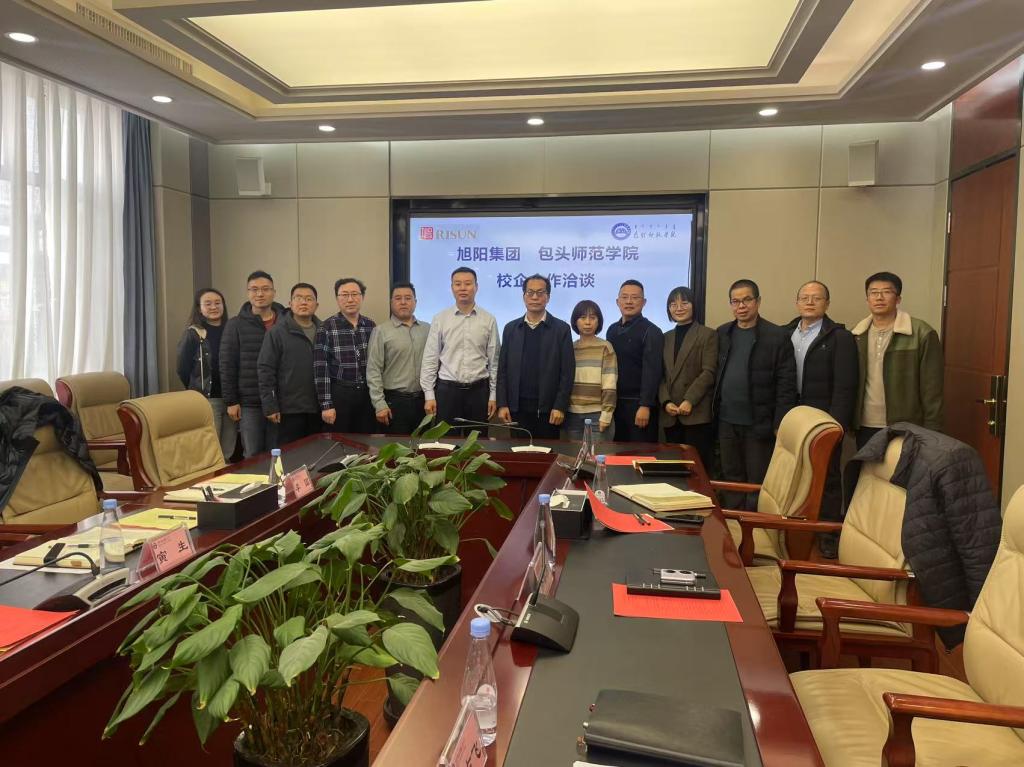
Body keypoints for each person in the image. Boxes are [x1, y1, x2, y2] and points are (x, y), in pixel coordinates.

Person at [784, 280, 858, 558]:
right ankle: (792, 527)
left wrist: (837, 424)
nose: (810, 302)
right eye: (804, 297)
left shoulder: (840, 337)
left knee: (826, 475)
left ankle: (827, 533)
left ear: (827, 303)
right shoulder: (784, 333)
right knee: (792, 472)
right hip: (793, 414)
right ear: (797, 302)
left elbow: (845, 386)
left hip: (824, 417)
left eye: (817, 298)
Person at [714, 279, 797, 510]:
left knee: (756, 479)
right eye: (735, 301)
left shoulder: (776, 335)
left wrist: (780, 422)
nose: (741, 306)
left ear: (758, 301)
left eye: (747, 300)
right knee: (731, 476)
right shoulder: (723, 333)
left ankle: (752, 524)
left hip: (759, 422)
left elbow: (786, 383)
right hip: (726, 420)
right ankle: (733, 521)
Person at [851, 271, 944, 448]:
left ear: (898, 299)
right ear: (867, 299)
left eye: (886, 292)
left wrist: (933, 428)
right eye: (873, 292)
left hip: (907, 424)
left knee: (901, 467)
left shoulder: (921, 333)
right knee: (867, 467)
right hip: (865, 423)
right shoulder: (856, 334)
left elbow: (932, 387)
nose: (879, 297)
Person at [420, 267, 500, 435]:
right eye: (458, 284)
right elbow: (430, 358)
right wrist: (429, 394)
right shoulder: (440, 319)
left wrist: (493, 395)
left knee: (477, 442)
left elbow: (494, 362)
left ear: (476, 287)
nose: (463, 288)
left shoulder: (489, 319)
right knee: (447, 443)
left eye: (468, 284)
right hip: (447, 392)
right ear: (452, 288)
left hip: (479, 392)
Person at [496, 275, 575, 441]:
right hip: (516, 409)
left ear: (548, 297)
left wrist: (560, 406)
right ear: (524, 296)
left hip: (549, 411)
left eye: (540, 293)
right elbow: (502, 370)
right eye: (530, 292)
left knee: (548, 453)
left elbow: (567, 373)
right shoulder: (511, 329)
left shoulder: (561, 329)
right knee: (518, 452)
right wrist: (502, 404)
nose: (534, 297)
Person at [220, 270, 285, 457]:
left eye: (265, 289)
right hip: (250, 403)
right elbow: (227, 364)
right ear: (248, 293)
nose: (260, 294)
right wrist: (231, 401)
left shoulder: (285, 322)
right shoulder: (235, 324)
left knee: (279, 454)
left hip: (281, 401)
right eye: (254, 289)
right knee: (253, 455)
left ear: (274, 292)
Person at [658, 286, 717, 468]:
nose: (679, 308)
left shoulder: (708, 334)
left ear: (694, 305)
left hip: (696, 413)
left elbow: (709, 372)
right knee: (672, 468)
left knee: (696, 468)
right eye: (673, 304)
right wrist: (666, 402)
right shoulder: (665, 337)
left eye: (684, 303)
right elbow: (660, 374)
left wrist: (689, 400)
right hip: (670, 414)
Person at [257, 283, 323, 446]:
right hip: (288, 409)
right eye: (298, 298)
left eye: (309, 299)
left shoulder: (324, 331)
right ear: (290, 303)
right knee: (290, 455)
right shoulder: (277, 332)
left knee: (316, 453)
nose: (304, 302)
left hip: (318, 408)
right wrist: (270, 405)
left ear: (316, 305)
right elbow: (265, 370)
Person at [175, 287, 236, 461]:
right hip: (208, 399)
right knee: (210, 450)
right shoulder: (194, 334)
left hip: (232, 399)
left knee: (228, 449)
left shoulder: (232, 329)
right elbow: (182, 368)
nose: (213, 307)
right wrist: (197, 388)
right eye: (208, 304)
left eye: (218, 303)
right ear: (199, 308)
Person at [366, 282, 430, 435]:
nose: (403, 302)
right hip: (394, 402)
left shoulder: (428, 329)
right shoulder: (381, 331)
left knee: (423, 446)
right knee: (397, 447)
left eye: (408, 298)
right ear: (391, 302)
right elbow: (373, 370)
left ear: (415, 302)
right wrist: (379, 404)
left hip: (423, 401)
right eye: (398, 298)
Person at [314, 278, 377, 434]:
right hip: (340, 393)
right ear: (337, 298)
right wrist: (326, 405)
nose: (350, 299)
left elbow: (378, 363)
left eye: (355, 294)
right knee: (340, 441)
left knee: (366, 440)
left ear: (362, 297)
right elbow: (320, 368)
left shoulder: (371, 326)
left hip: (367, 394)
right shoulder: (326, 327)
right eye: (344, 295)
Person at [606, 280, 663, 442]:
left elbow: (652, 372)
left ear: (644, 302)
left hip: (639, 406)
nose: (629, 301)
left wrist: (645, 405)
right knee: (616, 451)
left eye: (635, 297)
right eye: (624, 297)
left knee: (640, 452)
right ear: (617, 301)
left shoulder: (651, 331)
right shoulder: (611, 330)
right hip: (615, 405)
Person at [564, 300, 618, 445]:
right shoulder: (570, 348)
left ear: (598, 322)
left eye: (592, 318)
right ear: (575, 321)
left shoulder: (605, 347)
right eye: (582, 318)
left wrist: (606, 414)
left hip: (597, 414)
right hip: (573, 415)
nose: (587, 322)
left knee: (597, 456)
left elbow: (610, 384)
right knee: (574, 456)